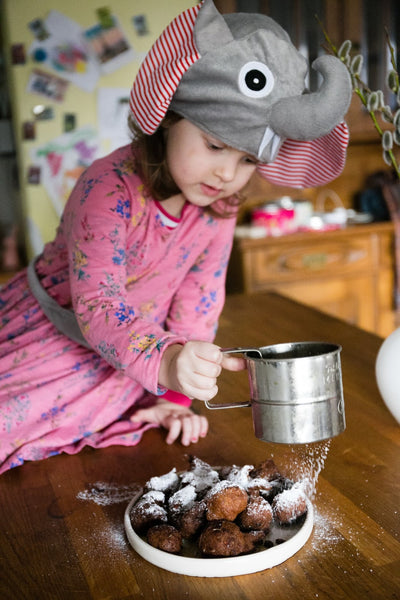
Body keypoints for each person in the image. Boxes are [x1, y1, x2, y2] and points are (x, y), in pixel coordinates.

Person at [0, 0, 352, 474]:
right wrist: (166, 363)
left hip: (126, 367)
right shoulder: (106, 187)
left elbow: (198, 308)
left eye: (248, 160)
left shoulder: (217, 211)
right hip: (50, 344)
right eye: (214, 145)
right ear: (169, 118)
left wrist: (175, 397)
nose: (228, 174)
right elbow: (99, 307)